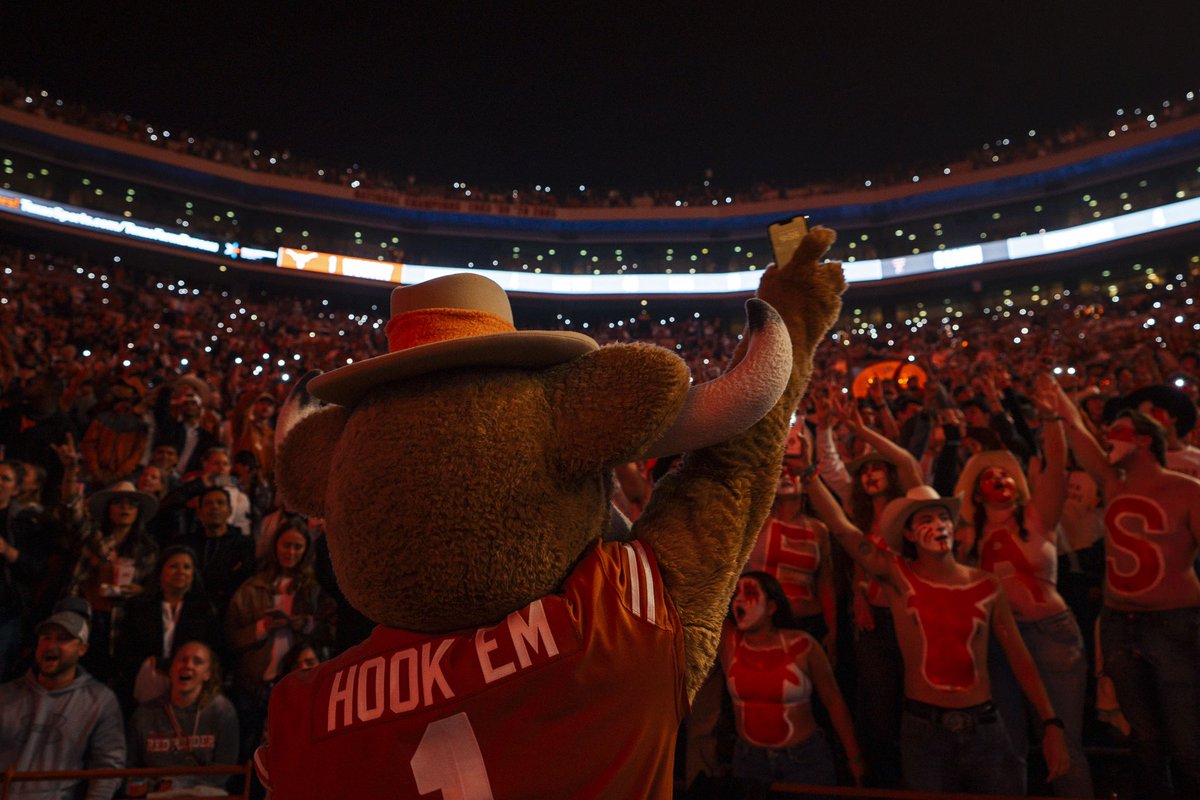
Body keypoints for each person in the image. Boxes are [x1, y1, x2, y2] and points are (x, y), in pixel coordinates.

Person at [800, 438, 1070, 794]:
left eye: (944, 517)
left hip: (985, 725)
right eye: (926, 519)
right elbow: (841, 528)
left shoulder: (986, 585)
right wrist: (808, 474)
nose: (939, 525)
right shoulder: (899, 577)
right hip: (924, 729)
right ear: (910, 534)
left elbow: (1018, 654)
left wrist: (1051, 722)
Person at [1052, 385, 1200, 799]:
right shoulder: (1112, 485)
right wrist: (1059, 399)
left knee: (1188, 741)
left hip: (1174, 625)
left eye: (1117, 431)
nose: (1107, 438)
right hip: (1119, 623)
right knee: (1143, 740)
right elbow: (1079, 435)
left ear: (1143, 440)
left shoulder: (1188, 491)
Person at [954, 401, 1094, 798]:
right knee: (1007, 747)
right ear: (978, 495)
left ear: (1017, 487)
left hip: (1051, 636)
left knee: (1064, 743)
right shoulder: (966, 537)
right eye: (989, 476)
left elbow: (1056, 465)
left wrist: (1051, 419)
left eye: (1005, 474)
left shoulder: (1037, 519)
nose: (998, 477)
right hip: (997, 644)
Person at [720, 571, 862, 796]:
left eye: (749, 593)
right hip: (750, 762)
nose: (739, 600)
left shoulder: (803, 645)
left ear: (772, 607)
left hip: (804, 761)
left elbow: (833, 700)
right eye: (736, 594)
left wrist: (854, 758)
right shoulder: (730, 642)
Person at [226, 520, 334, 759]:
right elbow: (230, 638)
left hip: (298, 684)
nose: (291, 552)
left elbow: (330, 631)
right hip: (256, 685)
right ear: (275, 546)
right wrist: (261, 628)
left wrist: (303, 624)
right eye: (286, 546)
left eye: (298, 547)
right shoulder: (252, 588)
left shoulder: (313, 591)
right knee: (252, 754)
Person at [0, 599, 125, 800]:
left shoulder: (99, 700)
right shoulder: (6, 695)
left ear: (82, 649)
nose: (51, 645)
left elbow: (107, 768)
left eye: (63, 639)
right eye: (46, 637)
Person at [66, 480, 160, 683]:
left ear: (138, 512)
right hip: (87, 615)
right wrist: (71, 471)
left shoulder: (147, 549)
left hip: (123, 621)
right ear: (109, 509)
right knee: (81, 674)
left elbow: (153, 588)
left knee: (112, 676)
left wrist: (140, 590)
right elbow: (73, 511)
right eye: (119, 502)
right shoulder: (94, 537)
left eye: (131, 504)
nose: (125, 507)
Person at [113, 545, 222, 715]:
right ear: (160, 572)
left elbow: (214, 652)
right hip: (146, 690)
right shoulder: (139, 608)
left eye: (186, 567)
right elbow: (125, 651)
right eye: (173, 566)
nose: (180, 571)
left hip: (190, 690)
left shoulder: (205, 612)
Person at [126, 640, 239, 795]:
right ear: (171, 668)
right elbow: (130, 770)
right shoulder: (145, 714)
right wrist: (156, 787)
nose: (189, 666)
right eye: (182, 660)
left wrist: (178, 785)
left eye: (197, 662)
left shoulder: (222, 712)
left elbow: (223, 771)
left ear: (207, 673)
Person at [0, 460, 50, 680]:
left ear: (17, 489)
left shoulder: (25, 522)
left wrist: (7, 550)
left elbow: (36, 569)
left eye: (5, 478)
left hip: (5, 609)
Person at [178, 486, 255, 617]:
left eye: (220, 503)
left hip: (228, 611)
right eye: (208, 503)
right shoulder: (186, 543)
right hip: (188, 610)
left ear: (229, 511)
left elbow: (243, 579)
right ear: (199, 512)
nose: (215, 507)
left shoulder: (244, 544)